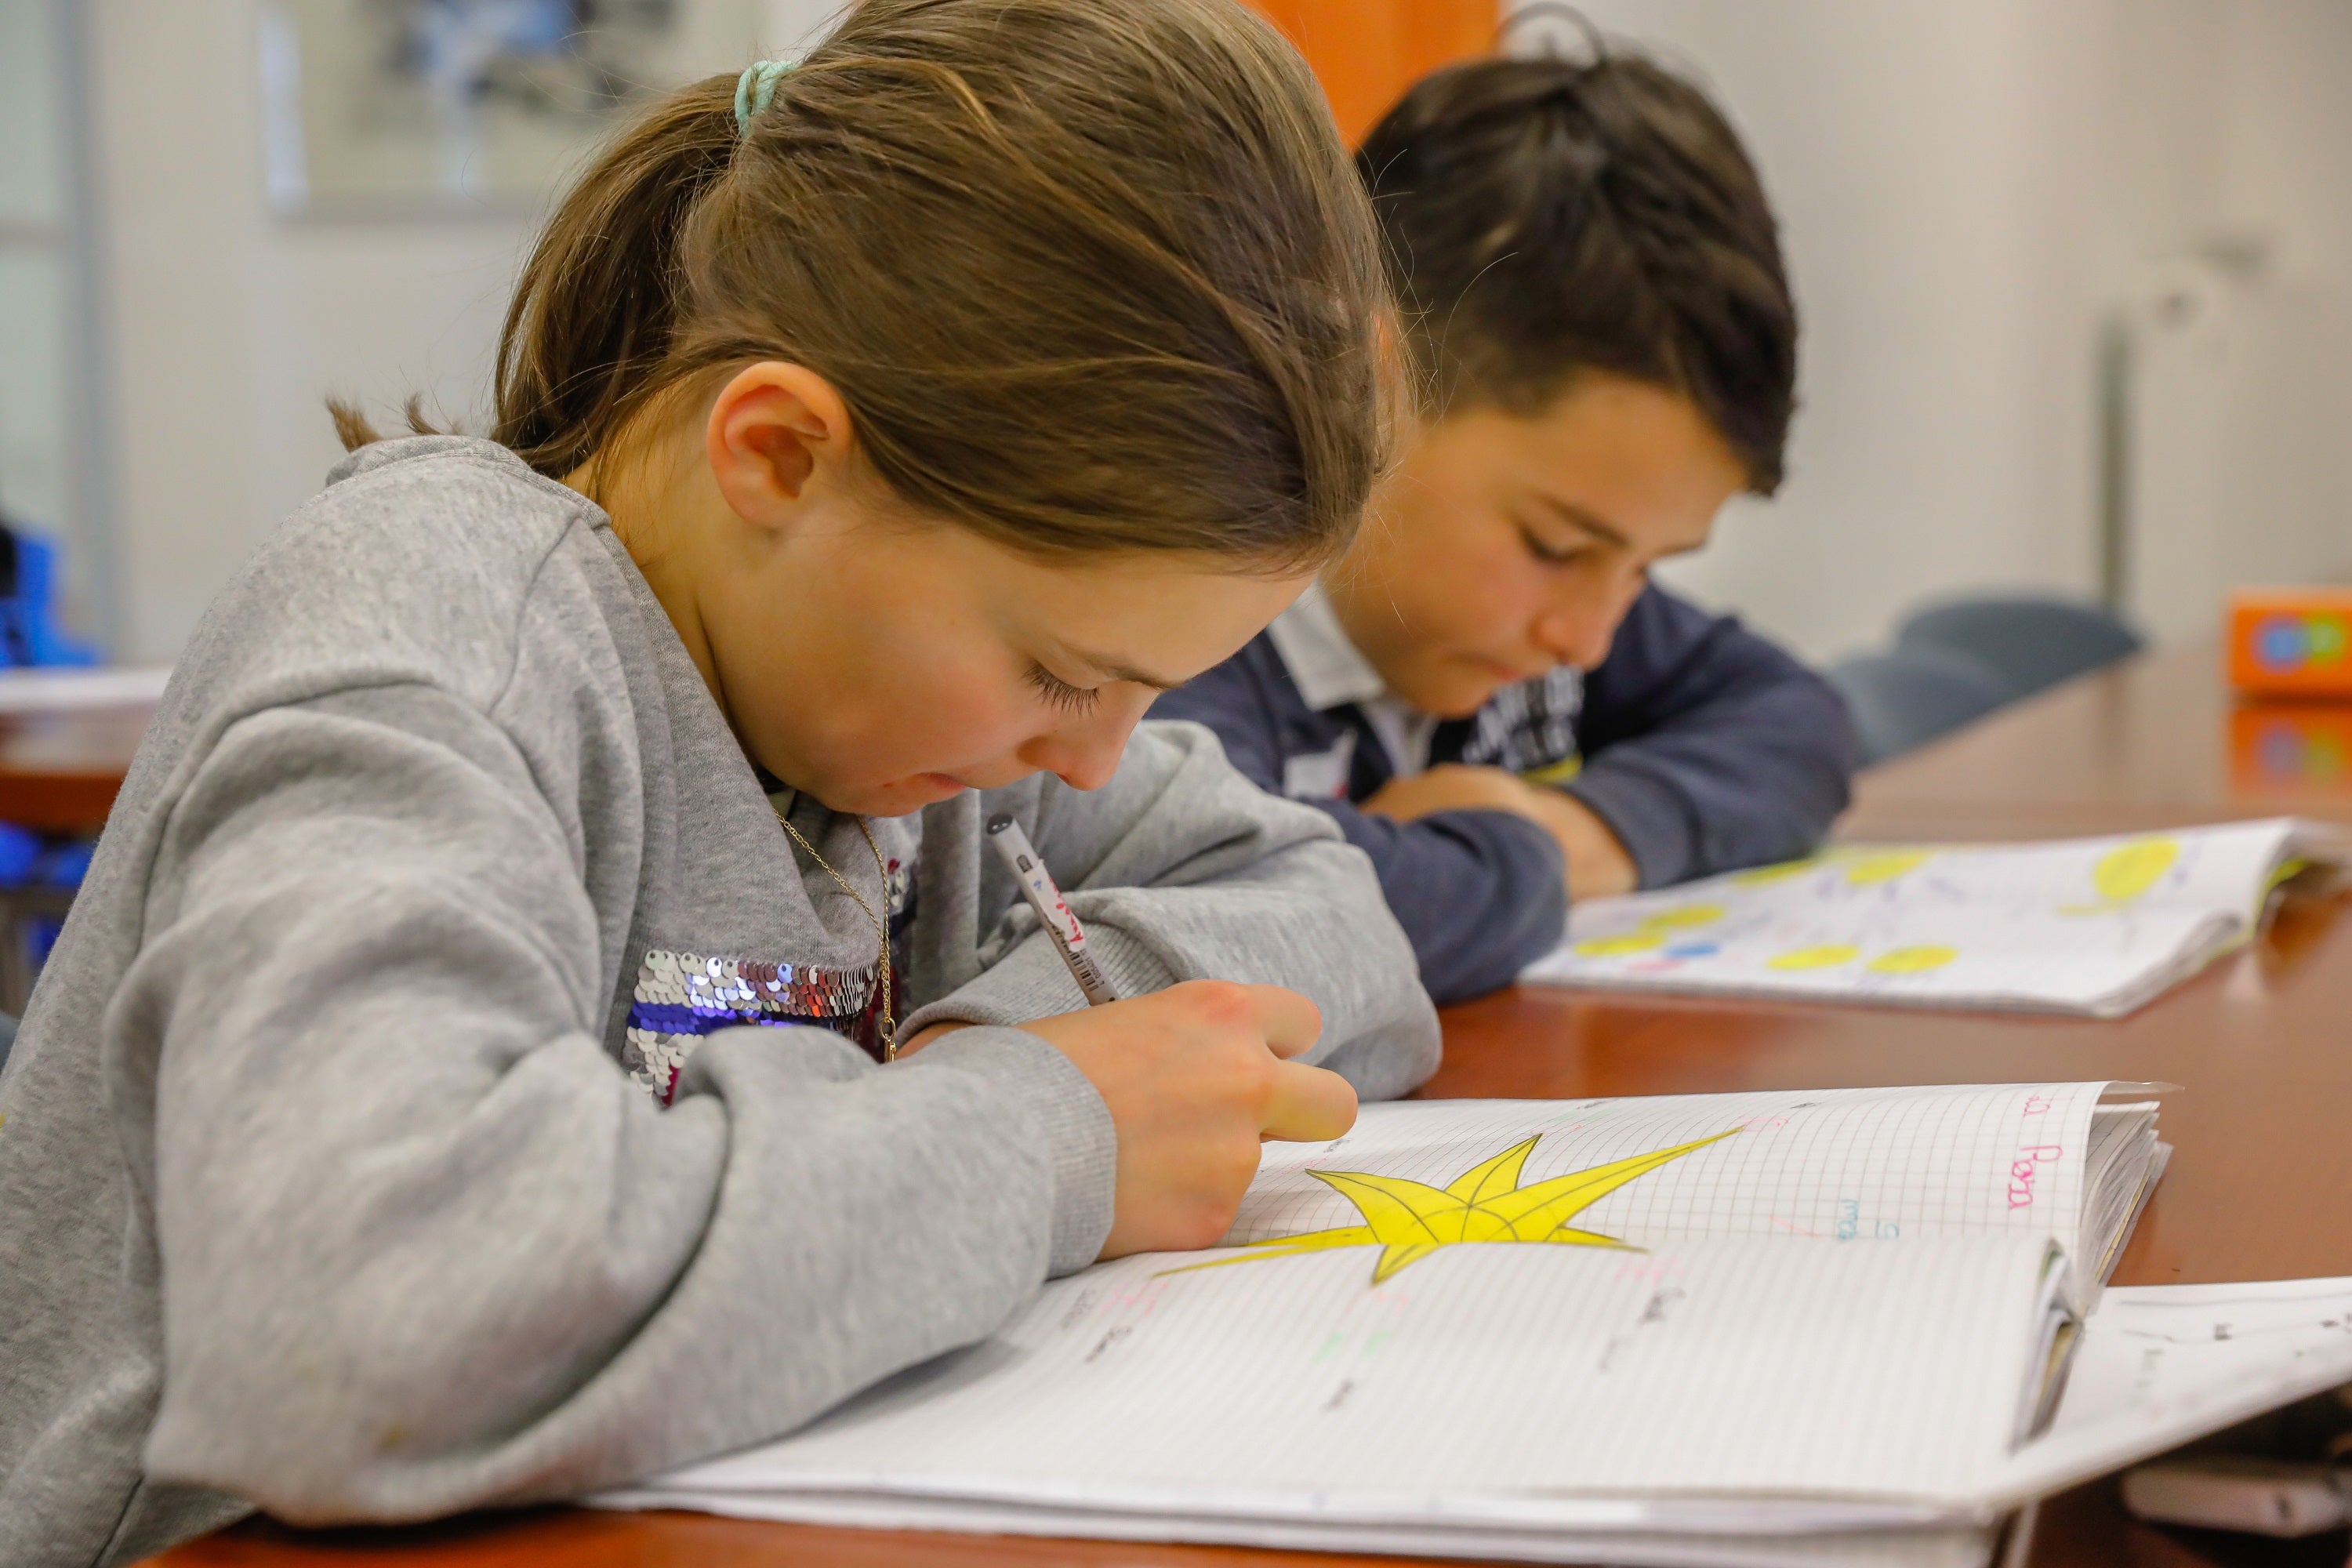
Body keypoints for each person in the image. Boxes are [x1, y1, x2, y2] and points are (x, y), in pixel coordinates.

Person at [0, 5, 1439, 1562]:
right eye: (1064, 671)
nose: (1094, 755)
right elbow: (355, 1327)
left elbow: (1332, 910)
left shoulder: (901, 706)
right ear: (778, 455)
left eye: (1146, 691)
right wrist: (1050, 1127)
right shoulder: (443, 643)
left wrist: (993, 1043)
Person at [1153, 49, 1857, 1005]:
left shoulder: (1531, 623)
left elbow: (1795, 720)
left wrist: (1582, 828)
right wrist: (1519, 856)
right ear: (1367, 384)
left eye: (1644, 569)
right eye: (1556, 547)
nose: (1588, 636)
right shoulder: (1175, 630)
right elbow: (1243, 909)